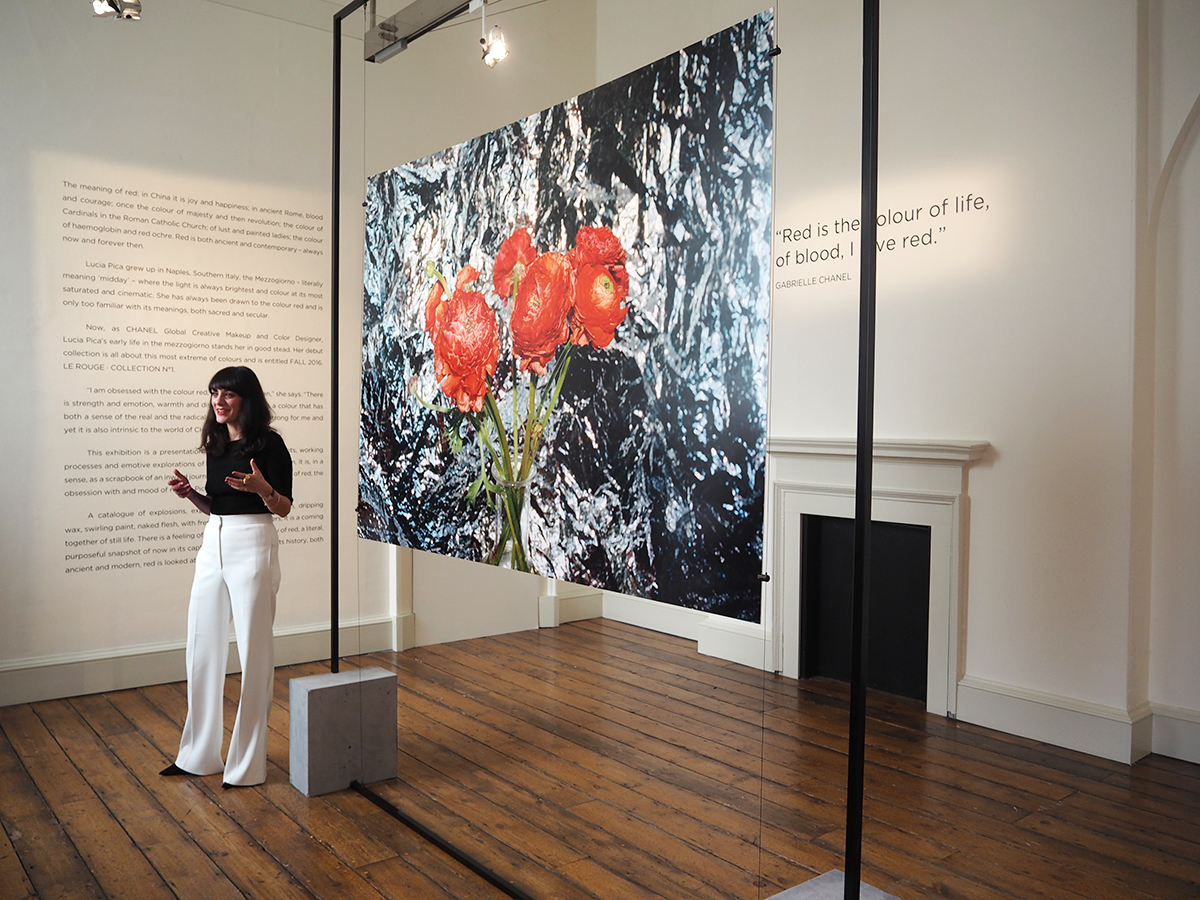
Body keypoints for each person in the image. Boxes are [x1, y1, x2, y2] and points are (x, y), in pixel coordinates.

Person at [161, 366, 292, 788]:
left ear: (246, 400)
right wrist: (192, 496)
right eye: (214, 392)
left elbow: (284, 508)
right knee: (200, 645)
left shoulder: (269, 444)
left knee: (254, 652)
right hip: (212, 542)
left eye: (228, 394)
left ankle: (246, 766)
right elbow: (218, 505)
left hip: (252, 543)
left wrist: (262, 489)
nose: (218, 401)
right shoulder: (216, 444)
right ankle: (198, 756)